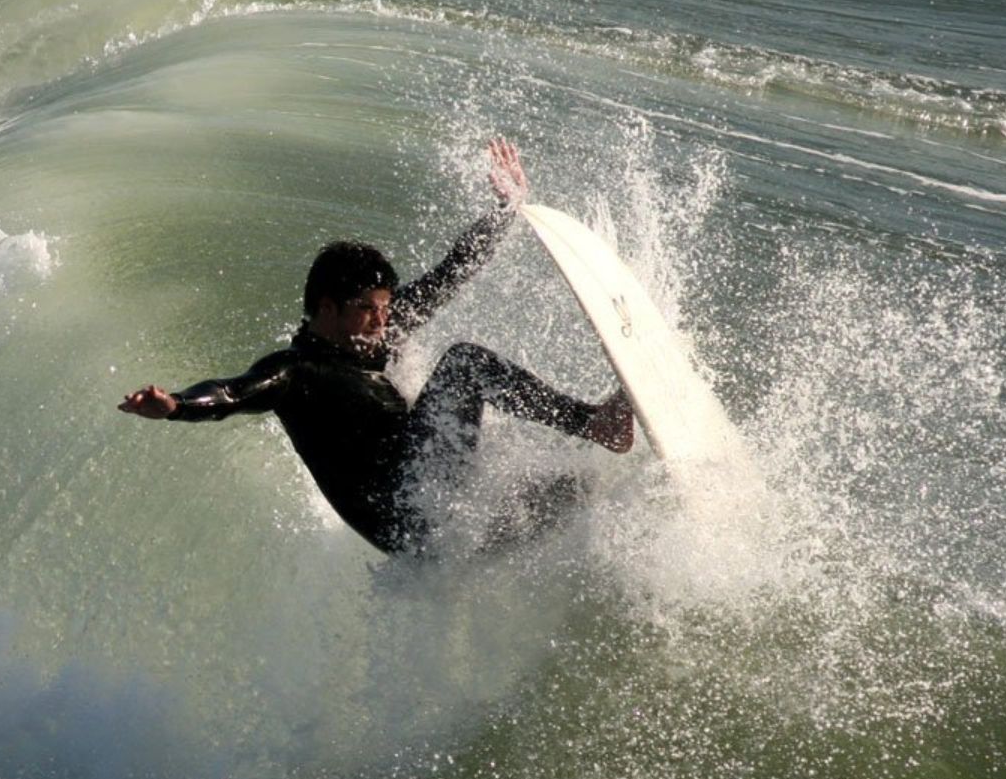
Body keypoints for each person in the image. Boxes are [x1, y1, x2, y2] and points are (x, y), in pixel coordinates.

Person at [118, 139, 634, 555]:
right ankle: (595, 424)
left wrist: (505, 211)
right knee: (465, 363)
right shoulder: (297, 373)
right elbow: (231, 393)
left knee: (580, 489)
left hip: (443, 534)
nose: (382, 320)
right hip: (415, 522)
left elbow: (452, 273)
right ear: (326, 307)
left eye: (384, 307)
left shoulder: (372, 335)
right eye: (368, 308)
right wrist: (177, 406)